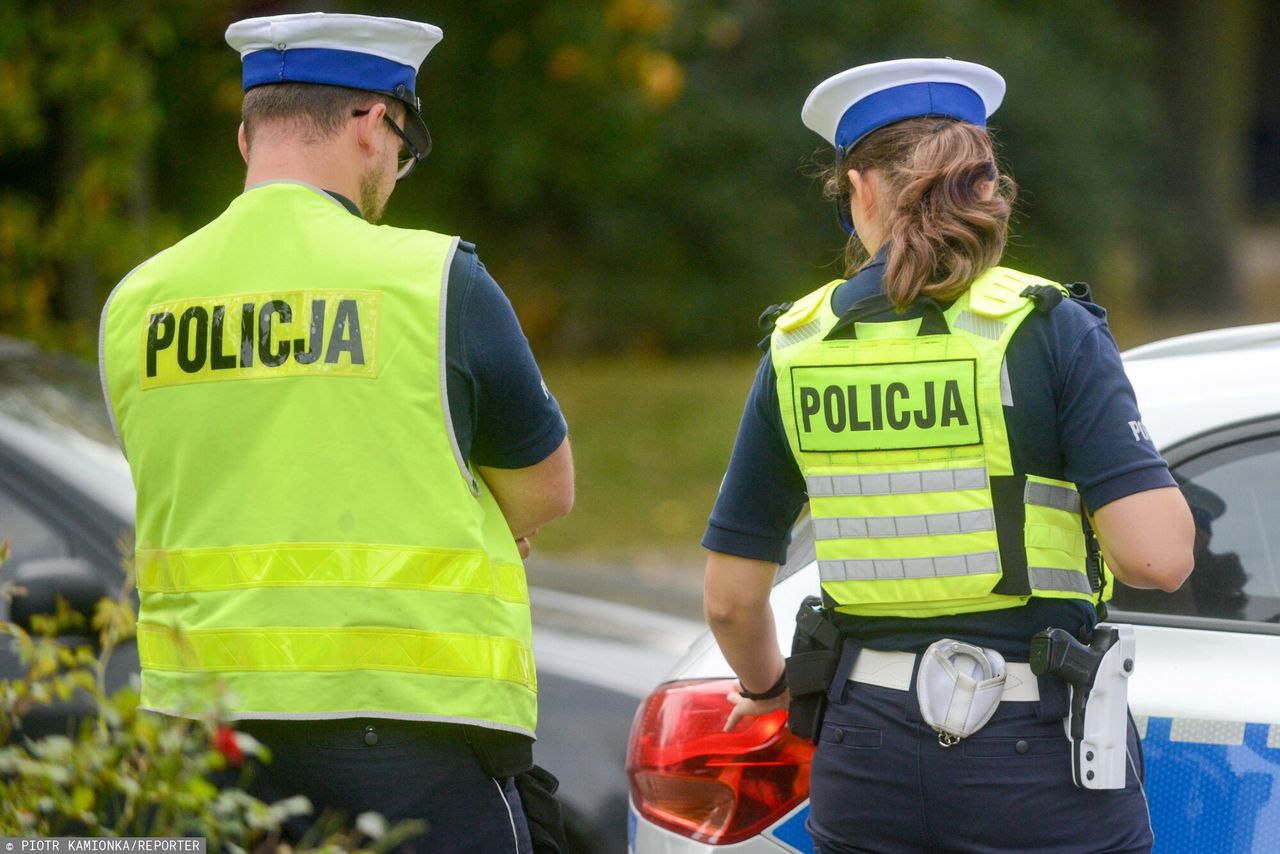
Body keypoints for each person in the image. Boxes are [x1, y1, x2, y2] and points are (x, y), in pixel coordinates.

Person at [98, 12, 573, 852]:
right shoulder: (434, 279)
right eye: (403, 143)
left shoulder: (137, 302)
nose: (398, 167)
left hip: (202, 741)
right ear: (371, 123)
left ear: (250, 139)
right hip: (408, 737)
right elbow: (544, 491)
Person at [701, 58, 1194, 853]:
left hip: (865, 764)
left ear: (859, 189)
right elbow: (1158, 559)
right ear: (988, 188)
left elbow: (729, 600)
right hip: (1037, 759)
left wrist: (765, 688)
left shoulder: (797, 345)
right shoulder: (1049, 326)